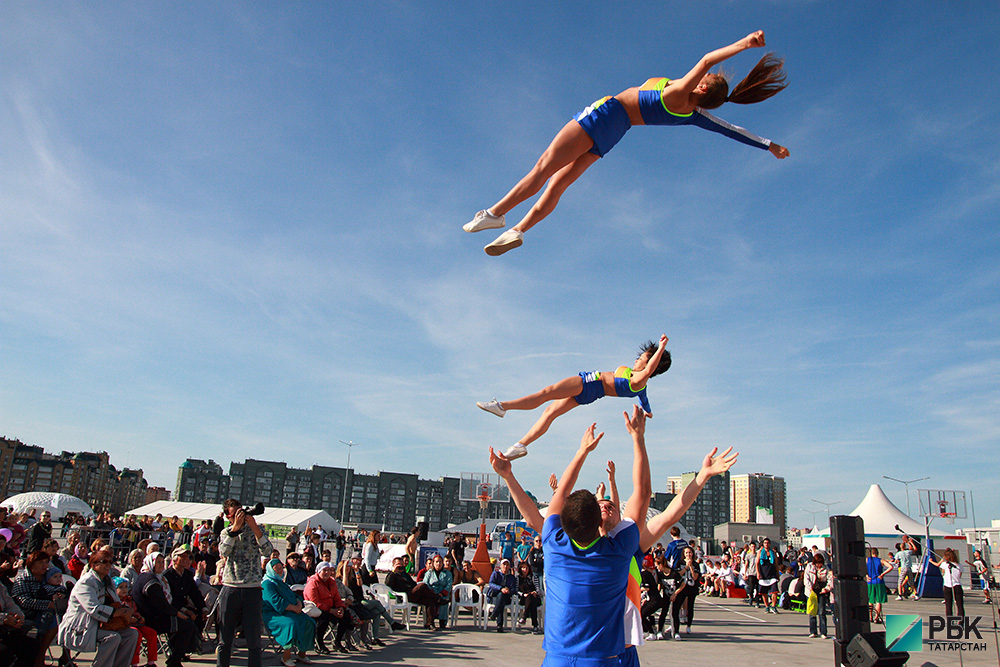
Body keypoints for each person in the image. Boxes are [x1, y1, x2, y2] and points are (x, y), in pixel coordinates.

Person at [464, 30, 789, 256]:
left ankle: (496, 213)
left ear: (702, 89)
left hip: (607, 114)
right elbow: (729, 128)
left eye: (704, 80)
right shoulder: (693, 114)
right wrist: (769, 144)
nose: (701, 76)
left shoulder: (679, 95)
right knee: (559, 184)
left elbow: (705, 60)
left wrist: (744, 45)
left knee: (544, 166)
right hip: (615, 133)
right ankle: (519, 230)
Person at [490, 406, 651, 664]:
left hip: (557, 659)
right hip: (601, 659)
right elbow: (642, 492)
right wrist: (637, 437)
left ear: (563, 522)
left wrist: (582, 451)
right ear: (599, 520)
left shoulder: (554, 542)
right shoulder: (619, 551)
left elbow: (553, 499)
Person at [476, 334, 670, 460]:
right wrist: (648, 411)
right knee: (550, 412)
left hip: (589, 383)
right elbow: (645, 401)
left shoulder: (639, 380)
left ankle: (502, 407)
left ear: (651, 363)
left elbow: (649, 371)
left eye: (642, 358)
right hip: (591, 393)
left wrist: (660, 348)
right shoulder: (641, 389)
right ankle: (521, 445)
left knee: (546, 393)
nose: (637, 359)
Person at [215, 499, 273, 667]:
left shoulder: (256, 531)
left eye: (242, 512)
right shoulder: (226, 532)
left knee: (254, 639)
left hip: (252, 588)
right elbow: (223, 551)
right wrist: (235, 529)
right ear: (228, 516)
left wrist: (254, 527)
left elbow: (268, 551)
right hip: (231, 587)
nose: (240, 516)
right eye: (236, 514)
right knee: (225, 639)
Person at [57, 551, 139, 667]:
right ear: (93, 565)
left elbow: (117, 603)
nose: (108, 565)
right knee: (113, 638)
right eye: (104, 562)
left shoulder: (108, 581)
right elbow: (94, 609)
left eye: (110, 562)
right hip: (80, 628)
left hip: (101, 625)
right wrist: (116, 613)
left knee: (131, 634)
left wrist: (127, 613)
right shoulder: (86, 582)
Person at [131, 552, 198, 667]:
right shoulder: (149, 580)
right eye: (158, 562)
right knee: (187, 625)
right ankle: (175, 660)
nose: (161, 565)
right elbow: (161, 604)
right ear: (151, 563)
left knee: (188, 622)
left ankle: (176, 656)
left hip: (158, 615)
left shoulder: (158, 578)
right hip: (150, 619)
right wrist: (178, 614)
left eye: (162, 562)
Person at [11, 551, 66, 667]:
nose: (45, 566)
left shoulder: (48, 578)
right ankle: (40, 657)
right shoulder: (23, 579)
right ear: (32, 564)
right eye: (41, 562)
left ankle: (64, 657)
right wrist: (48, 604)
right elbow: (24, 601)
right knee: (56, 622)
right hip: (27, 613)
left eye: (46, 562)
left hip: (49, 613)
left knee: (66, 620)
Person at [261, 559, 316, 666]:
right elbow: (276, 602)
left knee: (309, 622)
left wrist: (299, 604)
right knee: (290, 624)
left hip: (290, 611)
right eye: (276, 567)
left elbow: (294, 595)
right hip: (273, 614)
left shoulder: (281, 583)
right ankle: (286, 656)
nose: (279, 570)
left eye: (281, 567)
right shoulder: (267, 584)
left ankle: (302, 653)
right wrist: (294, 608)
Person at [113, 576, 158, 667]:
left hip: (137, 623)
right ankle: (134, 663)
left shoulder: (130, 600)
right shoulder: (115, 602)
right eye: (121, 587)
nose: (124, 589)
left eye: (126, 587)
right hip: (125, 625)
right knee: (136, 634)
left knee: (152, 633)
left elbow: (135, 611)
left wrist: (140, 617)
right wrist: (129, 618)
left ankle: (151, 662)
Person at [385, 557, 440, 630]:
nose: (400, 566)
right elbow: (387, 583)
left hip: (413, 593)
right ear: (394, 565)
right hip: (405, 596)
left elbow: (413, 584)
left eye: (402, 564)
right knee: (422, 585)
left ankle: (430, 624)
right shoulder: (392, 575)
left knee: (429, 600)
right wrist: (394, 571)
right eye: (398, 564)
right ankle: (438, 599)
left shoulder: (405, 574)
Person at [0, 580, 43, 667]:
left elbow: (10, 604)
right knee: (4, 652)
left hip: (4, 630)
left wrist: (17, 616)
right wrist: (3, 618)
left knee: (31, 647)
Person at [669, 546, 701, 639]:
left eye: (690, 553)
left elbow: (695, 577)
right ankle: (675, 626)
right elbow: (678, 574)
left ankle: (689, 625)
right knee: (677, 606)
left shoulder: (696, 564)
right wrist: (686, 566)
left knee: (690, 606)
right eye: (686, 553)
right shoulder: (680, 563)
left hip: (692, 588)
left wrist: (691, 566)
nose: (688, 555)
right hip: (682, 587)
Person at [422, 554, 453, 630]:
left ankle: (442, 621)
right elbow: (425, 583)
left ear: (442, 563)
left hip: (442, 594)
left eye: (440, 562)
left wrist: (442, 593)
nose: (438, 564)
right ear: (433, 563)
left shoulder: (448, 573)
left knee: (443, 601)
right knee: (430, 601)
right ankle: (430, 622)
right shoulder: (429, 573)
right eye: (436, 562)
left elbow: (449, 585)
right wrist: (432, 593)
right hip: (431, 593)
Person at [931, 548, 964, 618]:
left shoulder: (945, 565)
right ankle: (961, 622)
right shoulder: (959, 565)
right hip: (957, 585)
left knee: (948, 605)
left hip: (947, 586)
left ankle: (950, 621)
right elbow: (959, 576)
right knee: (960, 605)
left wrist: (939, 560)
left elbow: (937, 565)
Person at [865, 547, 892, 623]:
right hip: (879, 581)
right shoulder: (881, 560)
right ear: (877, 553)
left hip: (870, 581)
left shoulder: (867, 560)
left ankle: (870, 617)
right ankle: (876, 617)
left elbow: (861, 568)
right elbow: (890, 566)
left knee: (870, 600)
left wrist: (866, 575)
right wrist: (883, 574)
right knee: (879, 600)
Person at [515, 561, 542, 634]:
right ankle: (535, 626)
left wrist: (536, 592)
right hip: (524, 598)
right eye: (523, 568)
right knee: (531, 602)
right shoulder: (518, 578)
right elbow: (516, 590)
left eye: (526, 568)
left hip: (534, 597)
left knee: (531, 599)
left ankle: (524, 617)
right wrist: (523, 594)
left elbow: (538, 589)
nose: (525, 570)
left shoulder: (533, 577)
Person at [756, 538, 782, 614]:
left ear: (770, 544)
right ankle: (767, 606)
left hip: (772, 574)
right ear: (763, 544)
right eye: (765, 543)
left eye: (768, 543)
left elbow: (776, 564)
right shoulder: (760, 552)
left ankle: (773, 606)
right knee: (764, 592)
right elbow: (757, 563)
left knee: (774, 591)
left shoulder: (773, 553)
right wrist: (758, 573)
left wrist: (777, 574)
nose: (766, 544)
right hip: (763, 574)